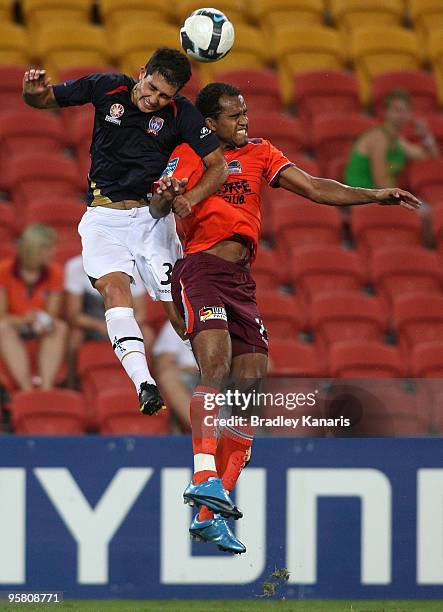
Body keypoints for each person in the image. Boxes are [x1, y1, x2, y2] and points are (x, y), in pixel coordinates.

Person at [151, 82, 421, 554]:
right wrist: (170, 194)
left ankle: (211, 513)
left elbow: (316, 188)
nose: (244, 121)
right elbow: (158, 204)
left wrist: (376, 195)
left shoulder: (261, 152)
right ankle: (203, 476)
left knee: (251, 389)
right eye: (234, 116)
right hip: (201, 271)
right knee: (215, 368)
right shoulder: (193, 152)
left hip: (241, 282)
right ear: (209, 122)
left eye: (245, 113)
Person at [22, 47, 227, 416]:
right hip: (105, 219)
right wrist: (31, 93)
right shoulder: (108, 88)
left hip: (153, 222)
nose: (154, 100)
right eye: (151, 88)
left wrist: (192, 199)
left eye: (164, 96)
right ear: (142, 72)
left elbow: (218, 166)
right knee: (115, 291)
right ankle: (144, 383)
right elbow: (44, 99)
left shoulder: (182, 114)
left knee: (180, 316)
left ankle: (219, 387)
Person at [64, 254, 152, 387]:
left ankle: (147, 381)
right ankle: (72, 383)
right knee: (74, 337)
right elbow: (73, 314)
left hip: (123, 323)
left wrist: (120, 327)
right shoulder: (75, 267)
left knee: (148, 335)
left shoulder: (131, 268)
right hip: (91, 325)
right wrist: (99, 326)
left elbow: (140, 313)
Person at [0, 224, 67, 391]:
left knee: (60, 327)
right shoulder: (5, 270)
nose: (53, 252)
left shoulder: (55, 272)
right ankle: (27, 389)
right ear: (32, 249)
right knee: (2, 327)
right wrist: (23, 320)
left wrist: (41, 320)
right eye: (47, 248)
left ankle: (46, 387)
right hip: (15, 324)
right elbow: (1, 315)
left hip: (39, 325)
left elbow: (51, 313)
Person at [345, 89, 439, 189]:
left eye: (406, 110)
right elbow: (381, 183)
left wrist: (426, 136)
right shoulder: (378, 138)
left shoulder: (398, 141)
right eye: (397, 110)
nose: (402, 115)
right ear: (386, 112)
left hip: (380, 196)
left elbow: (431, 158)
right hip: (359, 198)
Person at [151, 320, 198, 432]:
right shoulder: (176, 322)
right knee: (167, 376)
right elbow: (163, 364)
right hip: (187, 376)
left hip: (222, 376)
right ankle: (205, 431)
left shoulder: (232, 322)